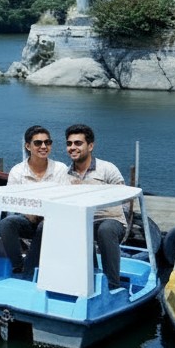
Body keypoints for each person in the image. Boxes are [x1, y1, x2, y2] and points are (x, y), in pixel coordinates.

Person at [0, 125, 69, 277]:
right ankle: (18, 265)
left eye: (47, 142)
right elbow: (12, 201)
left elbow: (66, 199)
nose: (43, 146)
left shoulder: (60, 169)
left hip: (54, 221)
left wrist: (46, 213)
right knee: (7, 223)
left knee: (45, 225)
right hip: (28, 218)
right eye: (38, 143)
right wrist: (29, 212)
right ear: (28, 146)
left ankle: (29, 270)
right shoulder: (18, 171)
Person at [64, 123, 128, 290]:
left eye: (78, 143)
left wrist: (89, 192)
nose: (72, 148)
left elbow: (124, 198)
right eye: (69, 144)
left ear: (90, 146)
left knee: (105, 230)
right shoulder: (65, 174)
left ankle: (113, 286)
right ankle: (85, 278)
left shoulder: (107, 169)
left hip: (111, 220)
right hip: (83, 221)